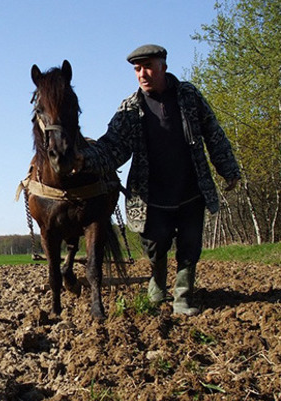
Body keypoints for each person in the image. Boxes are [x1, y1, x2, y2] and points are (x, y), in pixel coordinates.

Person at [77, 44, 241, 316]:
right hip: (150, 194)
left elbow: (213, 132)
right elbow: (113, 146)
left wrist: (228, 168)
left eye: (148, 66)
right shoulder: (130, 108)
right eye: (137, 69)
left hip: (190, 188)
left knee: (190, 244)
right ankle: (157, 283)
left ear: (164, 66)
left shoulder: (188, 96)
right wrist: (85, 160)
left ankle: (183, 297)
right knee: (155, 243)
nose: (143, 74)